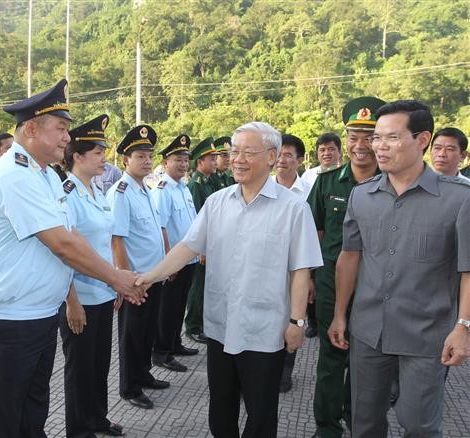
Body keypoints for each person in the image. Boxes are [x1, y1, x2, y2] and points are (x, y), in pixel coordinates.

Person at [0, 79, 145, 437]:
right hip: (6, 321)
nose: (67, 137)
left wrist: (114, 275)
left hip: (37, 316)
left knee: (33, 414)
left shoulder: (46, 175)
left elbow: (72, 234)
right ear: (31, 129)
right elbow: (61, 244)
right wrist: (115, 278)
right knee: (6, 421)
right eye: (61, 129)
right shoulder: (13, 174)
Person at [138, 121, 322, 437]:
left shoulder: (293, 208)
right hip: (222, 326)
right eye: (234, 151)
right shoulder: (217, 202)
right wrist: (147, 278)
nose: (237, 159)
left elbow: (301, 270)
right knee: (220, 411)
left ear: (271, 156)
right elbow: (186, 247)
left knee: (261, 413)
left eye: (248, 152)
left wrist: (297, 322)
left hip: (265, 330)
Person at [329, 100, 470, 437]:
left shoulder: (459, 199)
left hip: (427, 335)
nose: (378, 146)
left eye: (390, 138)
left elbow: (468, 269)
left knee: (420, 426)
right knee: (364, 423)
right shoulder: (362, 196)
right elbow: (350, 256)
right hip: (368, 332)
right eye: (377, 138)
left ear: (422, 140)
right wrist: (339, 314)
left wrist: (463, 326)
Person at [307, 96, 385, 438]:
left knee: (367, 359)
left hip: (376, 285)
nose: (360, 145)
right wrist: (309, 278)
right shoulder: (326, 183)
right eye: (354, 136)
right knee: (331, 355)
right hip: (329, 282)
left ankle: (359, 420)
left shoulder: (393, 183)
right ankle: (326, 426)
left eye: (369, 137)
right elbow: (314, 234)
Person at [58, 114, 125, 437]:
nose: (104, 158)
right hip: (79, 298)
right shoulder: (67, 194)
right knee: (79, 369)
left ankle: (98, 419)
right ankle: (78, 430)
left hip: (102, 294)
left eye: (103, 152)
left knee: (99, 366)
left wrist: (114, 286)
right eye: (97, 153)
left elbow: (104, 243)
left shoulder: (97, 191)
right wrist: (72, 302)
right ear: (77, 157)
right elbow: (64, 252)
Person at [106, 124, 169, 410]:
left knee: (146, 333)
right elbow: (116, 241)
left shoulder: (146, 189)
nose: (146, 160)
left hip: (152, 277)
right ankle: (129, 388)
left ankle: (144, 375)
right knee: (131, 336)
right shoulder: (121, 192)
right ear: (125, 160)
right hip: (135, 281)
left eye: (149, 155)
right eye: (139, 156)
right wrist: (126, 281)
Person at [151, 134, 199, 373]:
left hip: (187, 259)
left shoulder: (184, 188)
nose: (182, 163)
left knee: (179, 306)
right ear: (165, 163)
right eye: (177, 159)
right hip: (174, 262)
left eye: (185, 159)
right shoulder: (162, 191)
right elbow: (160, 227)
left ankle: (174, 343)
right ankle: (161, 352)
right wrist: (169, 263)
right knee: (167, 308)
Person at [273, 133, 313, 393]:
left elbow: (317, 235)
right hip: (267, 270)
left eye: (289, 155)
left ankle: (285, 371)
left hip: (297, 271)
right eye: (279, 154)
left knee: (293, 319)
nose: (282, 160)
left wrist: (310, 278)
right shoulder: (261, 187)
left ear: (299, 160)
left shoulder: (310, 192)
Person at [185, 137, 220, 344]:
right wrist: (202, 249)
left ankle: (201, 323)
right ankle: (193, 326)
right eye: (211, 159)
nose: (215, 162)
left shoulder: (208, 182)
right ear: (200, 162)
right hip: (202, 246)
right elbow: (198, 221)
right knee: (197, 288)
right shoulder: (196, 185)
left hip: (211, 243)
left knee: (205, 285)